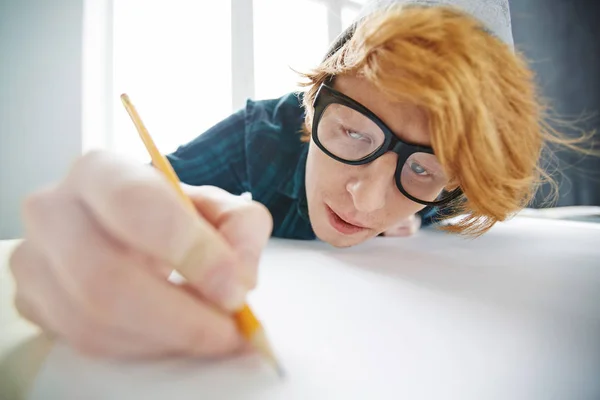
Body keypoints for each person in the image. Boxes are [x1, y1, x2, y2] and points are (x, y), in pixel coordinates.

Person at [8, 0, 582, 359]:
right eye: (354, 133)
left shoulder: (455, 192)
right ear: (313, 101)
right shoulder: (261, 133)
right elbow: (152, 193)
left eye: (424, 169)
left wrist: (426, 207)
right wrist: (108, 223)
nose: (366, 197)